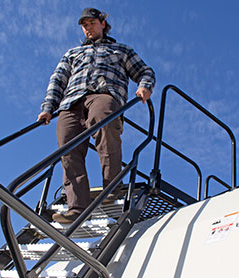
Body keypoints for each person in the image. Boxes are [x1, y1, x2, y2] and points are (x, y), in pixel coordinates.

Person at [37, 8, 155, 223]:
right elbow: (57, 81)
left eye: (91, 23)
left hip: (104, 93)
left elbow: (145, 71)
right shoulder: (73, 53)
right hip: (71, 101)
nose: (87, 28)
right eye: (84, 25)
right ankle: (77, 207)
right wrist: (47, 108)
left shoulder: (121, 50)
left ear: (102, 23)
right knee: (67, 147)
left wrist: (144, 86)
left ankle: (112, 186)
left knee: (103, 122)